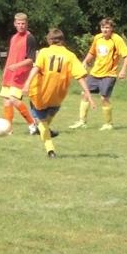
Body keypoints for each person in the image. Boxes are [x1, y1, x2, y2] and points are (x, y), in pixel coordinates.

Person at [26, 28, 95, 158]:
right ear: (63, 41)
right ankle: (44, 130)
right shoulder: (70, 55)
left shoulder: (44, 52)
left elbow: (36, 69)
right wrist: (88, 95)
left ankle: (50, 150)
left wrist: (26, 84)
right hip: (57, 98)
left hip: (39, 95)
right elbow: (80, 76)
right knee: (45, 123)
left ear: (49, 40)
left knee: (42, 124)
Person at [69, 18, 127, 131]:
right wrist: (85, 62)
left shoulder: (116, 39)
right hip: (95, 73)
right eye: (103, 27)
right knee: (85, 94)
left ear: (112, 28)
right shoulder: (97, 38)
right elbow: (92, 52)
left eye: (107, 27)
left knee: (104, 98)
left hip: (109, 74)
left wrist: (123, 70)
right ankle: (82, 121)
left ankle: (108, 124)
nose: (105, 30)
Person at [0, 13, 39, 135]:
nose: (21, 26)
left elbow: (31, 59)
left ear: (27, 24)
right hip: (9, 75)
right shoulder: (13, 38)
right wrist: (5, 70)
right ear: (15, 24)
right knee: (6, 101)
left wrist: (16, 66)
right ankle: (9, 129)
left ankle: (32, 124)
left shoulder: (30, 38)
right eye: (19, 23)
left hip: (21, 75)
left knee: (13, 99)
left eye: (23, 23)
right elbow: (11, 56)